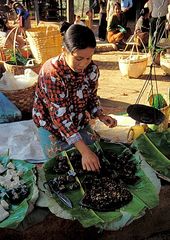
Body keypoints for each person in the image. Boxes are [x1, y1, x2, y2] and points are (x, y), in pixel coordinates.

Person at [32, 23, 117, 172]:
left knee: (97, 151)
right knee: (59, 164)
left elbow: (91, 96)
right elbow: (60, 118)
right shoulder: (51, 73)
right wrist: (84, 152)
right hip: (51, 124)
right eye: (78, 59)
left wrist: (100, 114)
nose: (83, 64)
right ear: (64, 50)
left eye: (88, 58)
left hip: (78, 120)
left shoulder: (92, 69)